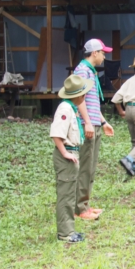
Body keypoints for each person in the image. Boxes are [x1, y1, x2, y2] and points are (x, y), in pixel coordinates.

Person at [74, 39, 115, 220]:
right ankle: (80, 209)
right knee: (85, 167)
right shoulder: (83, 70)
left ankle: (85, 205)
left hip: (94, 124)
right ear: (94, 53)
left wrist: (103, 122)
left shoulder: (90, 71)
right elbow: (79, 98)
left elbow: (92, 102)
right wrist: (88, 122)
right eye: (103, 52)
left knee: (91, 167)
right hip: (86, 126)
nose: (105, 56)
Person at [50, 75, 94, 243]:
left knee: (70, 194)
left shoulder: (71, 108)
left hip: (72, 154)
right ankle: (65, 233)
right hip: (67, 156)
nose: (84, 97)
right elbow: (56, 134)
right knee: (66, 196)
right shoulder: (64, 109)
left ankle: (69, 230)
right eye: (83, 94)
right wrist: (65, 153)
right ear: (77, 95)